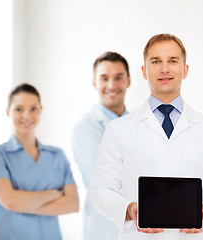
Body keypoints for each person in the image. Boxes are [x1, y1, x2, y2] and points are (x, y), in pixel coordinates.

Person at [91, 33, 203, 240]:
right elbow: (101, 189)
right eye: (155, 61)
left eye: (172, 61)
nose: (164, 69)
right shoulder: (119, 130)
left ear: (185, 70)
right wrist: (129, 209)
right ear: (144, 71)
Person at [0, 83, 79, 240]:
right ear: (8, 112)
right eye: (19, 109)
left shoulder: (57, 155)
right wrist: (53, 194)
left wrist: (21, 203)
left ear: (41, 110)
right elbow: (10, 202)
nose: (27, 116)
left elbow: (72, 204)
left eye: (33, 108)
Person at [72, 51, 131, 240]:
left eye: (118, 78)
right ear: (95, 83)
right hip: (103, 229)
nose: (112, 85)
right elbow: (103, 179)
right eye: (104, 78)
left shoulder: (140, 124)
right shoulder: (85, 127)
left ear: (128, 81)